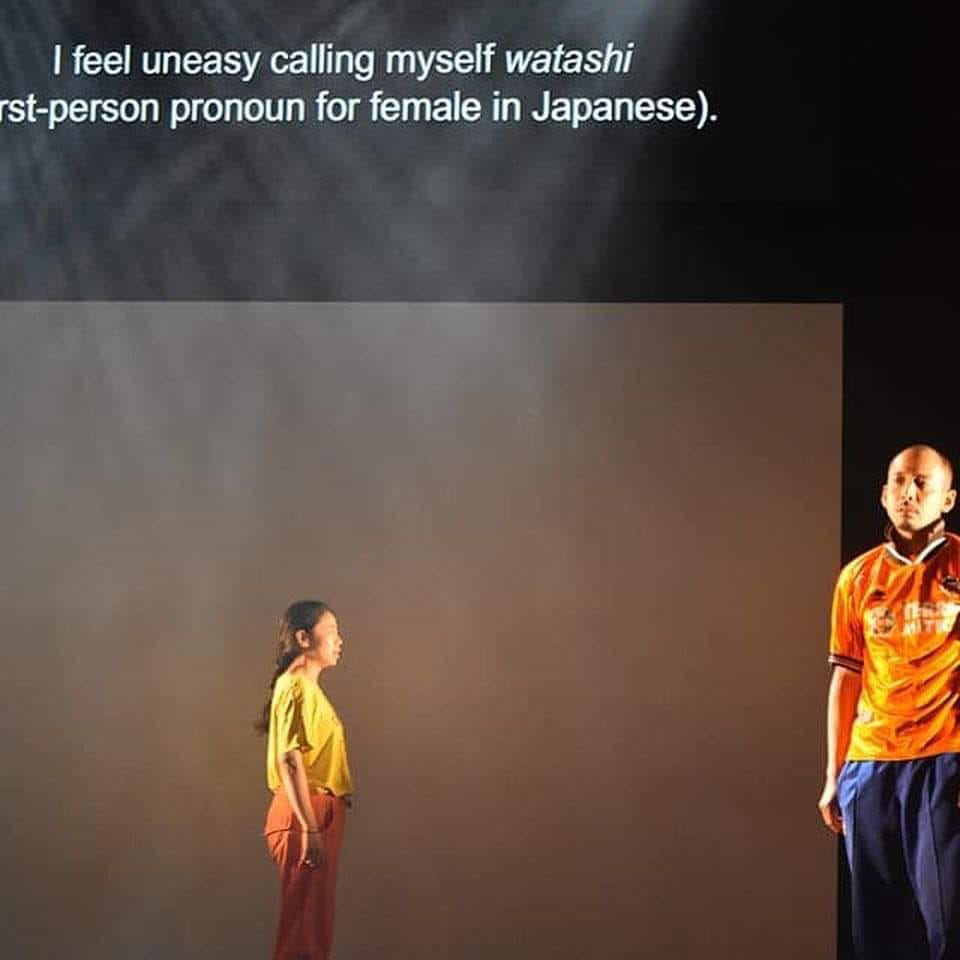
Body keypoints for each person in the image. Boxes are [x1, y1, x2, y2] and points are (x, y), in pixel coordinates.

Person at [818, 445, 960, 960]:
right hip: (871, 765)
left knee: (947, 925)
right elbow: (846, 678)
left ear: (948, 499)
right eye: (899, 481)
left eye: (922, 483)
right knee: (876, 933)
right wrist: (834, 773)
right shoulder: (857, 577)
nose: (909, 493)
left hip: (943, 758)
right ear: (882, 494)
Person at [256, 600, 354, 960]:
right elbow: (290, 760)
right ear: (303, 638)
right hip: (306, 812)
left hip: (314, 813)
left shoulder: (306, 690)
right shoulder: (296, 686)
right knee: (304, 935)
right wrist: (310, 827)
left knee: (312, 927)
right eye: (331, 631)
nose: (339, 640)